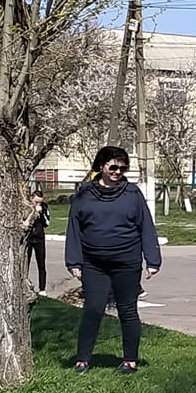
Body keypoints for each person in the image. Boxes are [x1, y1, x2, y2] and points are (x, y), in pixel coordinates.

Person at [65, 146, 161, 373]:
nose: (118, 171)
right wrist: (74, 262)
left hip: (126, 262)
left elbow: (146, 226)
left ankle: (130, 360)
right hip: (94, 263)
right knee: (93, 309)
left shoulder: (132, 193)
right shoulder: (84, 194)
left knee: (127, 310)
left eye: (122, 167)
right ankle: (83, 360)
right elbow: (74, 228)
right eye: (113, 166)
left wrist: (153, 260)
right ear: (101, 166)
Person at [24, 191, 51, 294]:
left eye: (40, 202)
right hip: (28, 238)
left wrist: (41, 213)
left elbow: (47, 223)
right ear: (31, 199)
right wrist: (33, 212)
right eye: (36, 202)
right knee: (25, 263)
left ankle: (42, 289)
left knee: (41, 264)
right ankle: (24, 284)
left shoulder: (44, 207)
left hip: (39, 238)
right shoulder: (27, 206)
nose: (38, 204)